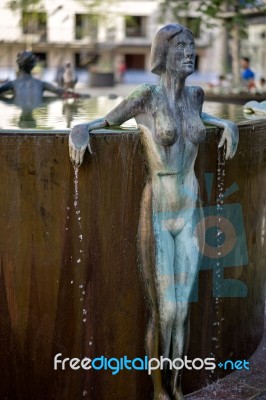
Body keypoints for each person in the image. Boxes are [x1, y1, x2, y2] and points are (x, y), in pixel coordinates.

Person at [69, 23, 238, 400]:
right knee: (162, 311)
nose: (189, 53)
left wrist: (226, 121)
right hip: (160, 208)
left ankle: (177, 387)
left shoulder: (196, 96)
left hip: (189, 205)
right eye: (181, 47)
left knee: (182, 309)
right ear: (163, 54)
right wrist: (81, 129)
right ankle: (158, 389)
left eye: (192, 47)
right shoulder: (145, 95)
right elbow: (104, 120)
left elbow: (198, 122)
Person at [0, 51, 68, 110]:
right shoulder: (41, 84)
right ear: (33, 65)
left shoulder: (12, 84)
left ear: (19, 65)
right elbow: (64, 93)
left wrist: (8, 101)